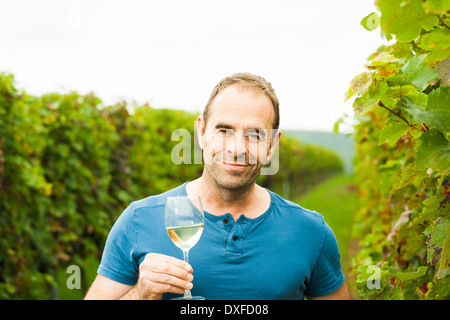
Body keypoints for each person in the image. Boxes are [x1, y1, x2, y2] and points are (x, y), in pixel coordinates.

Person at [85, 72, 351, 300]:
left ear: (273, 145)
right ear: (201, 132)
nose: (236, 149)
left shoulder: (312, 233)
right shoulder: (138, 220)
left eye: (255, 135)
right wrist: (140, 294)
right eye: (224, 130)